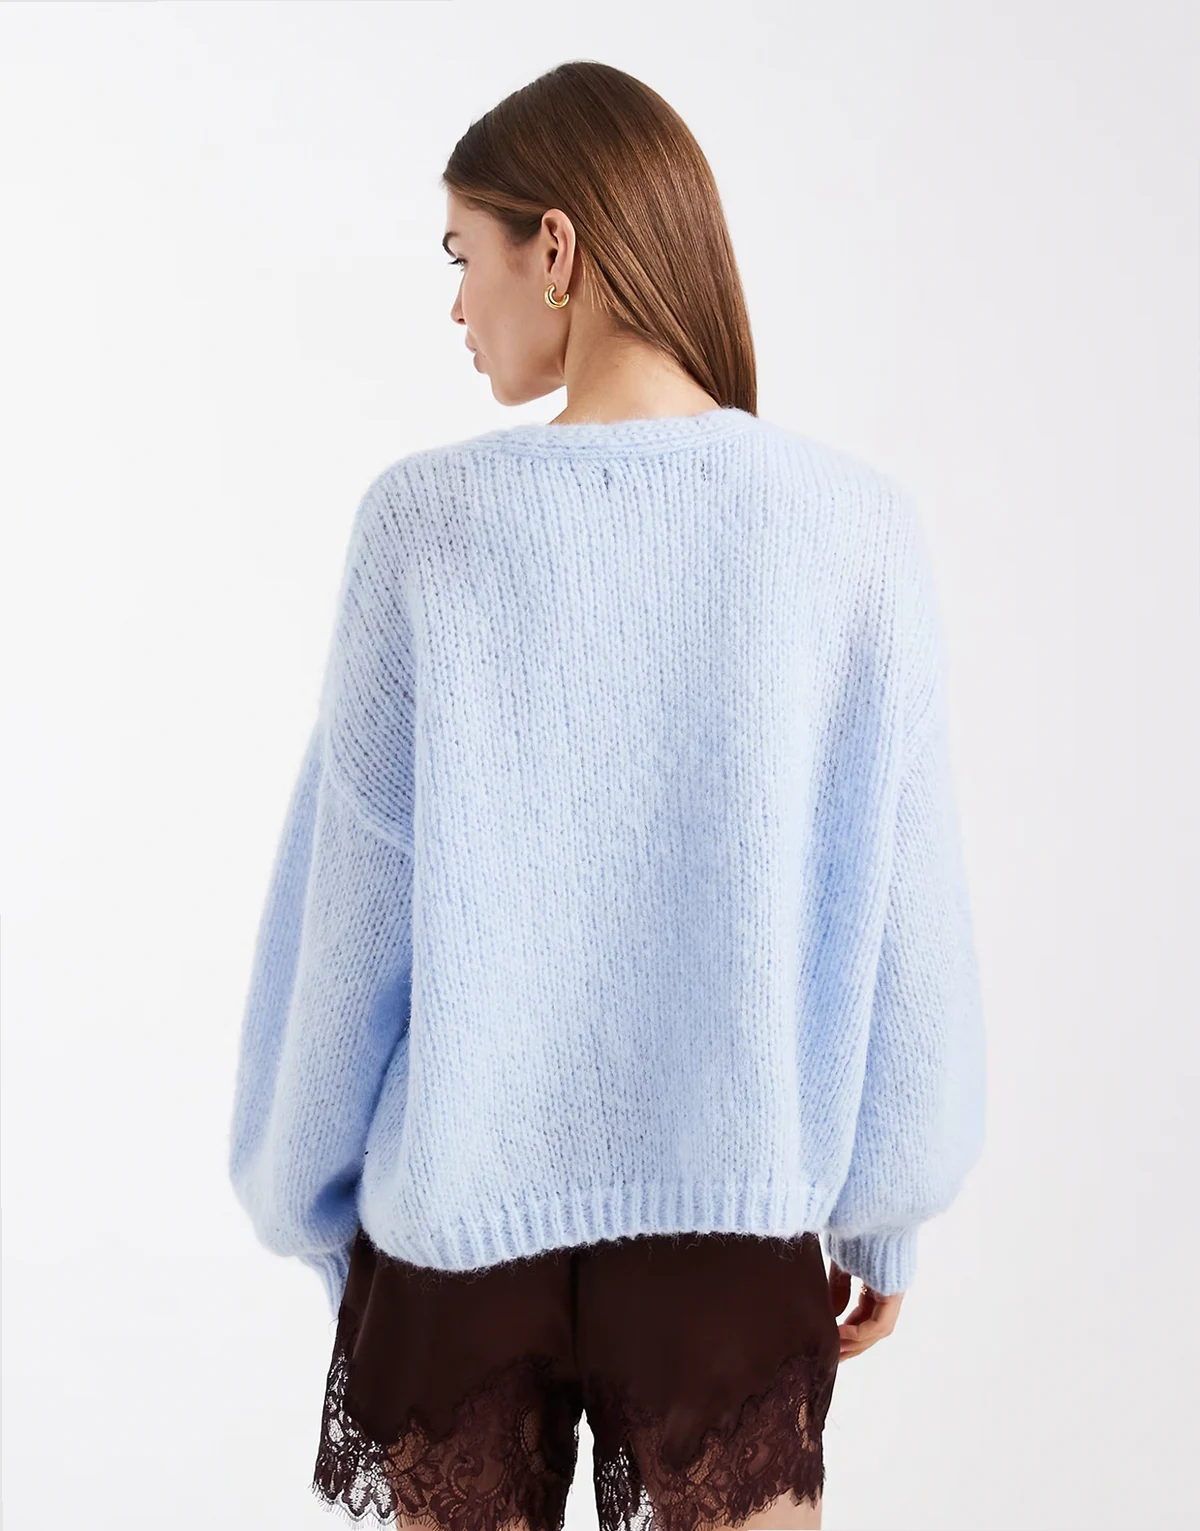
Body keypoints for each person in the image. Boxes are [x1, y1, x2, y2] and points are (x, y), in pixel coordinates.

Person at [228, 59, 986, 1531]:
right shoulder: (854, 530)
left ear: (556, 248)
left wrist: (307, 1199)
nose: (459, 307)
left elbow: (353, 908)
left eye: (464, 255)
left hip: (457, 1230)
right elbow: (902, 910)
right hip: (729, 1227)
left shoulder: (426, 526)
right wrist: (887, 1208)